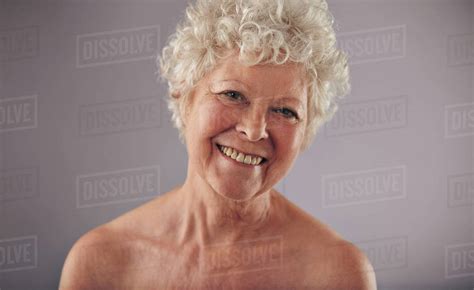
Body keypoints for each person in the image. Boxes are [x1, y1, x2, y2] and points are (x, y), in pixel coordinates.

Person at [59, 0, 376, 289]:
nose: (254, 131)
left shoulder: (338, 273)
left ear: (307, 130)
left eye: (284, 111)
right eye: (233, 95)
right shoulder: (101, 263)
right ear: (185, 97)